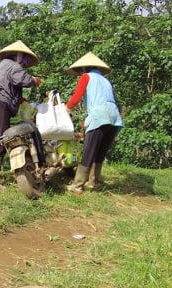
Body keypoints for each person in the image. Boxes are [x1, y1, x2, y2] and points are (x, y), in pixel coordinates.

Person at [0, 40, 42, 190]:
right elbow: (22, 79)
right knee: (1, 142)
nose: (25, 64)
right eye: (25, 60)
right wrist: (34, 80)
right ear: (19, 56)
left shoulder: (1, 66)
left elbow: (6, 86)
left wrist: (19, 99)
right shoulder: (14, 66)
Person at [63, 52, 123, 194]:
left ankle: (77, 185)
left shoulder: (86, 77)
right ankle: (93, 182)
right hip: (114, 116)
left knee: (89, 151)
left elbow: (77, 96)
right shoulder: (105, 81)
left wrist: (65, 109)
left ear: (84, 68)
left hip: (99, 115)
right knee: (100, 151)